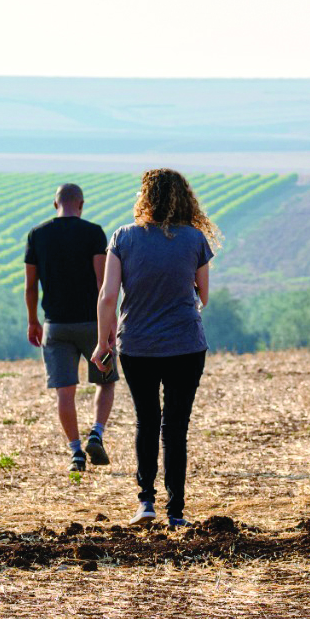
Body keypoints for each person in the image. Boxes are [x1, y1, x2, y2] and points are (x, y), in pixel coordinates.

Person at [93, 169, 217, 528]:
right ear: (184, 199)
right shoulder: (195, 239)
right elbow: (204, 296)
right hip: (186, 345)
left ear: (145, 197)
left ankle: (145, 503)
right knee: (176, 427)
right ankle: (176, 511)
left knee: (146, 421)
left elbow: (108, 296)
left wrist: (103, 344)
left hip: (138, 346)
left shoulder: (123, 238)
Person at [25, 182, 114, 473]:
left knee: (65, 393)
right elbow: (103, 284)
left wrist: (33, 320)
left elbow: (30, 286)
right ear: (81, 204)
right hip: (92, 323)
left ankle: (76, 452)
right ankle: (97, 433)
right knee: (106, 381)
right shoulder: (93, 232)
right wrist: (109, 323)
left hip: (55, 325)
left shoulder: (37, 235)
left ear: (55, 205)